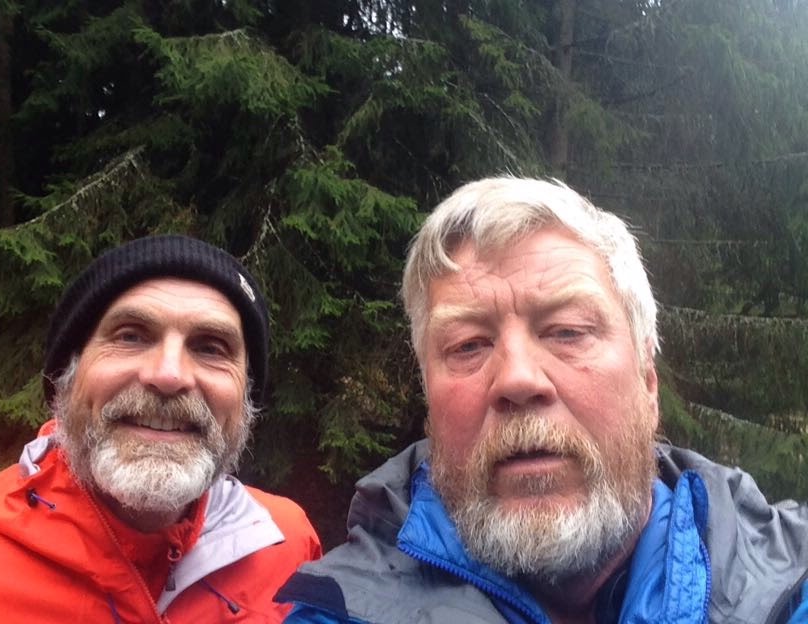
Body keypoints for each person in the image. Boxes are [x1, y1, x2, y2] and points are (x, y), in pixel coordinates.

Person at [276, 177, 808, 623]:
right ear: (429, 400)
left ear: (648, 381)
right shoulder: (337, 609)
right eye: (468, 345)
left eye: (568, 331)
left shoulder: (792, 587)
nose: (517, 378)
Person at [0, 235, 321, 623]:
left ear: (245, 399)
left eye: (210, 347)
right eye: (131, 336)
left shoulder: (287, 544)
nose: (169, 375)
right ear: (65, 376)